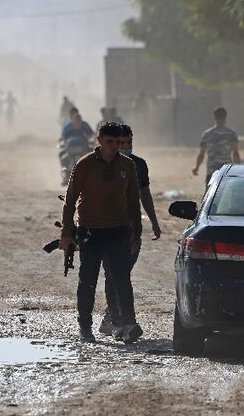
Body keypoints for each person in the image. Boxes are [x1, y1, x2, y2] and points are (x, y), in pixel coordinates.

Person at [60, 122, 143, 344]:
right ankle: (85, 327)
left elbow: (134, 203)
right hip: (91, 232)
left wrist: (137, 234)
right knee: (88, 281)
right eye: (110, 142)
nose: (115, 146)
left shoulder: (128, 165)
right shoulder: (85, 164)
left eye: (118, 142)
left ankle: (127, 324)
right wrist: (66, 233)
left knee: (121, 281)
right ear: (99, 141)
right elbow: (69, 201)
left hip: (119, 231)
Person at [99, 124, 162, 336]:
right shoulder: (100, 163)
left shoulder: (139, 165)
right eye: (121, 143)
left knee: (121, 273)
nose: (125, 147)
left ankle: (113, 317)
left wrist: (154, 221)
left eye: (128, 143)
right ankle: (121, 321)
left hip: (131, 230)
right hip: (106, 228)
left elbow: (145, 195)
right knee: (114, 274)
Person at [193, 107, 240, 184]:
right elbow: (235, 153)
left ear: (214, 118)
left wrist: (197, 167)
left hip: (212, 172)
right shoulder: (231, 133)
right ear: (225, 117)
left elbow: (201, 154)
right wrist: (238, 169)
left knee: (211, 195)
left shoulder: (207, 134)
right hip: (226, 172)